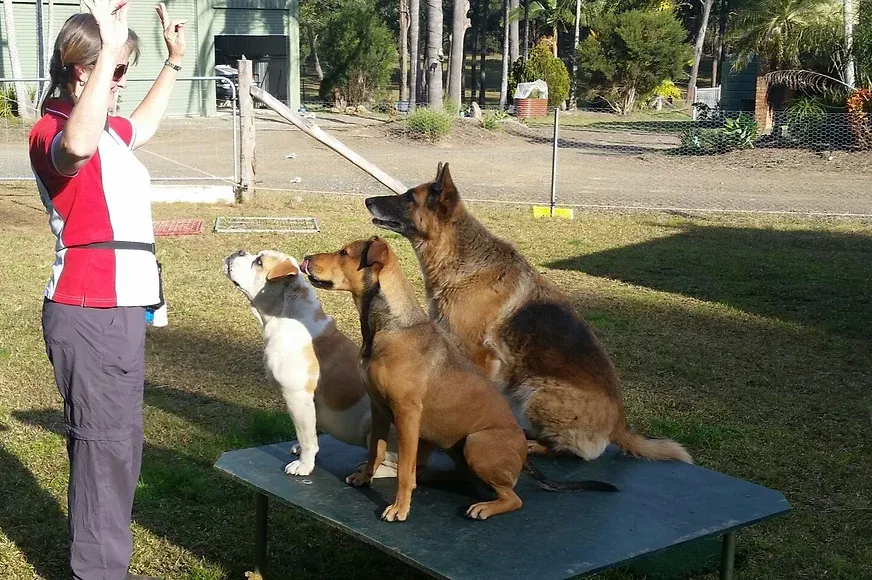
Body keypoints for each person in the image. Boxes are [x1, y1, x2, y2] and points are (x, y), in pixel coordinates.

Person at [28, 1, 185, 578]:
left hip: (116, 311)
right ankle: (97, 571)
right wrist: (105, 61)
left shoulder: (109, 133)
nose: (122, 82)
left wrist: (171, 63)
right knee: (104, 448)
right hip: (91, 311)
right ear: (80, 71)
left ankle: (99, 564)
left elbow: (139, 124)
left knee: (115, 448)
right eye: (118, 70)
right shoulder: (52, 131)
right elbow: (75, 147)